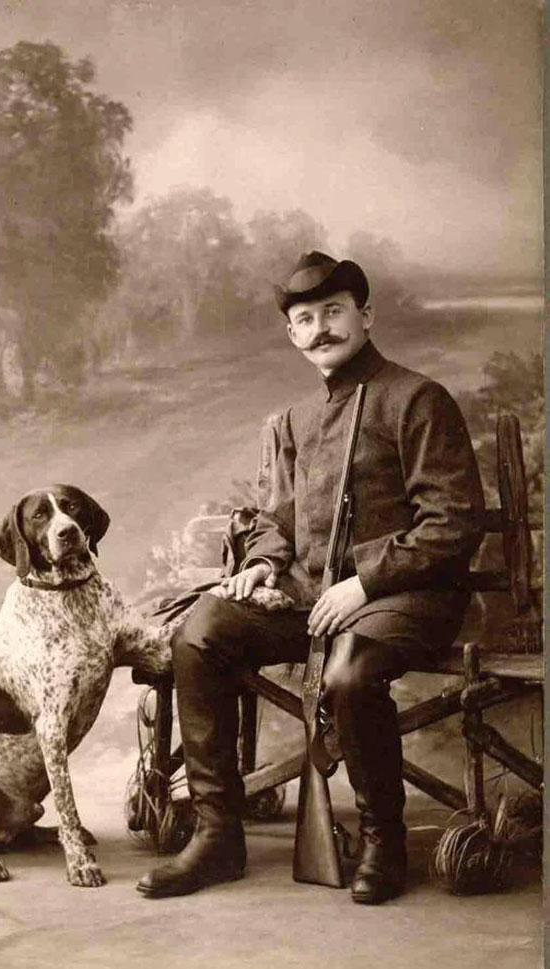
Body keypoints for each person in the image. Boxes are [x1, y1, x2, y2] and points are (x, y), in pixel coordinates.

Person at [136, 250, 485, 904]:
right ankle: (217, 836)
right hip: (316, 598)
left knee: (349, 675)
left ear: (365, 315)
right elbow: (283, 516)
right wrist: (267, 561)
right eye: (305, 318)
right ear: (292, 335)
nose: (321, 327)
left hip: (406, 600)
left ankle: (384, 838)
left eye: (334, 311)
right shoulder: (298, 420)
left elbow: (454, 522)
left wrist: (366, 583)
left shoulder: (418, 399)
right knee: (201, 630)